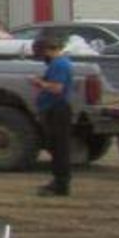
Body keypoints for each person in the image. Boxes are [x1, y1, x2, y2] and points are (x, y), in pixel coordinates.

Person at [31, 33, 75, 196]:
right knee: (56, 146)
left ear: (48, 50)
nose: (43, 58)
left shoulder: (59, 64)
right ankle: (59, 181)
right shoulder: (59, 63)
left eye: (42, 54)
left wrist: (39, 83)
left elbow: (57, 88)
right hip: (56, 109)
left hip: (58, 110)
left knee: (59, 148)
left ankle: (61, 184)